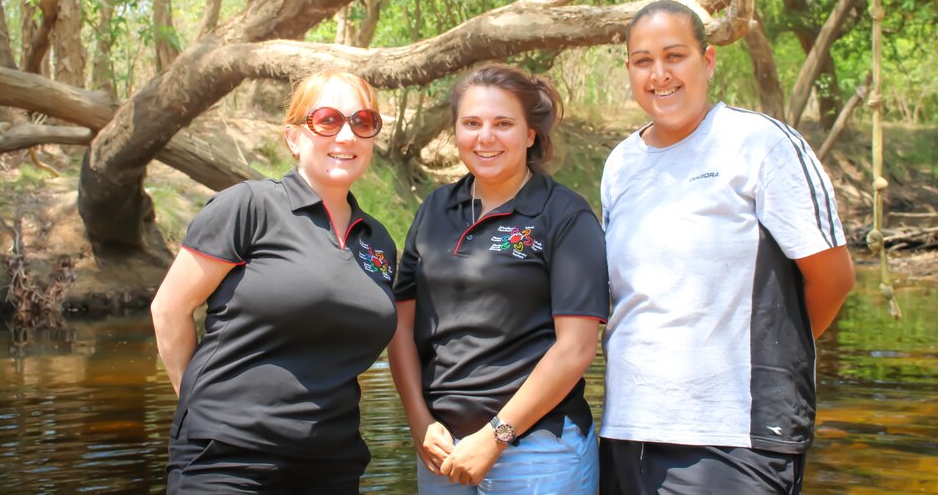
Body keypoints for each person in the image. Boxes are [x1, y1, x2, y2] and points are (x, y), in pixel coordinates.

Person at [598, 0, 856, 494]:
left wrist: (770, 358)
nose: (660, 75)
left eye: (675, 56)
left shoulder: (759, 144)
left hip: (734, 435)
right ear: (629, 68)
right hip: (629, 427)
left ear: (708, 60)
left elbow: (834, 278)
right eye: (643, 61)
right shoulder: (622, 164)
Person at [151, 70, 398, 494]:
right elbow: (169, 309)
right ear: (294, 137)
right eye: (327, 120)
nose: (346, 136)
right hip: (228, 460)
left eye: (362, 122)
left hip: (332, 464)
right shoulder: (250, 207)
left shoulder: (377, 241)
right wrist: (197, 408)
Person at [388, 64, 609, 494]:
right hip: (442, 451)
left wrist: (495, 437)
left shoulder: (564, 216)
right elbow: (402, 323)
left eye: (503, 123)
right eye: (471, 123)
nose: (485, 137)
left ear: (530, 134)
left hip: (536, 452)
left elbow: (577, 346)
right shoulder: (434, 210)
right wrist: (419, 420)